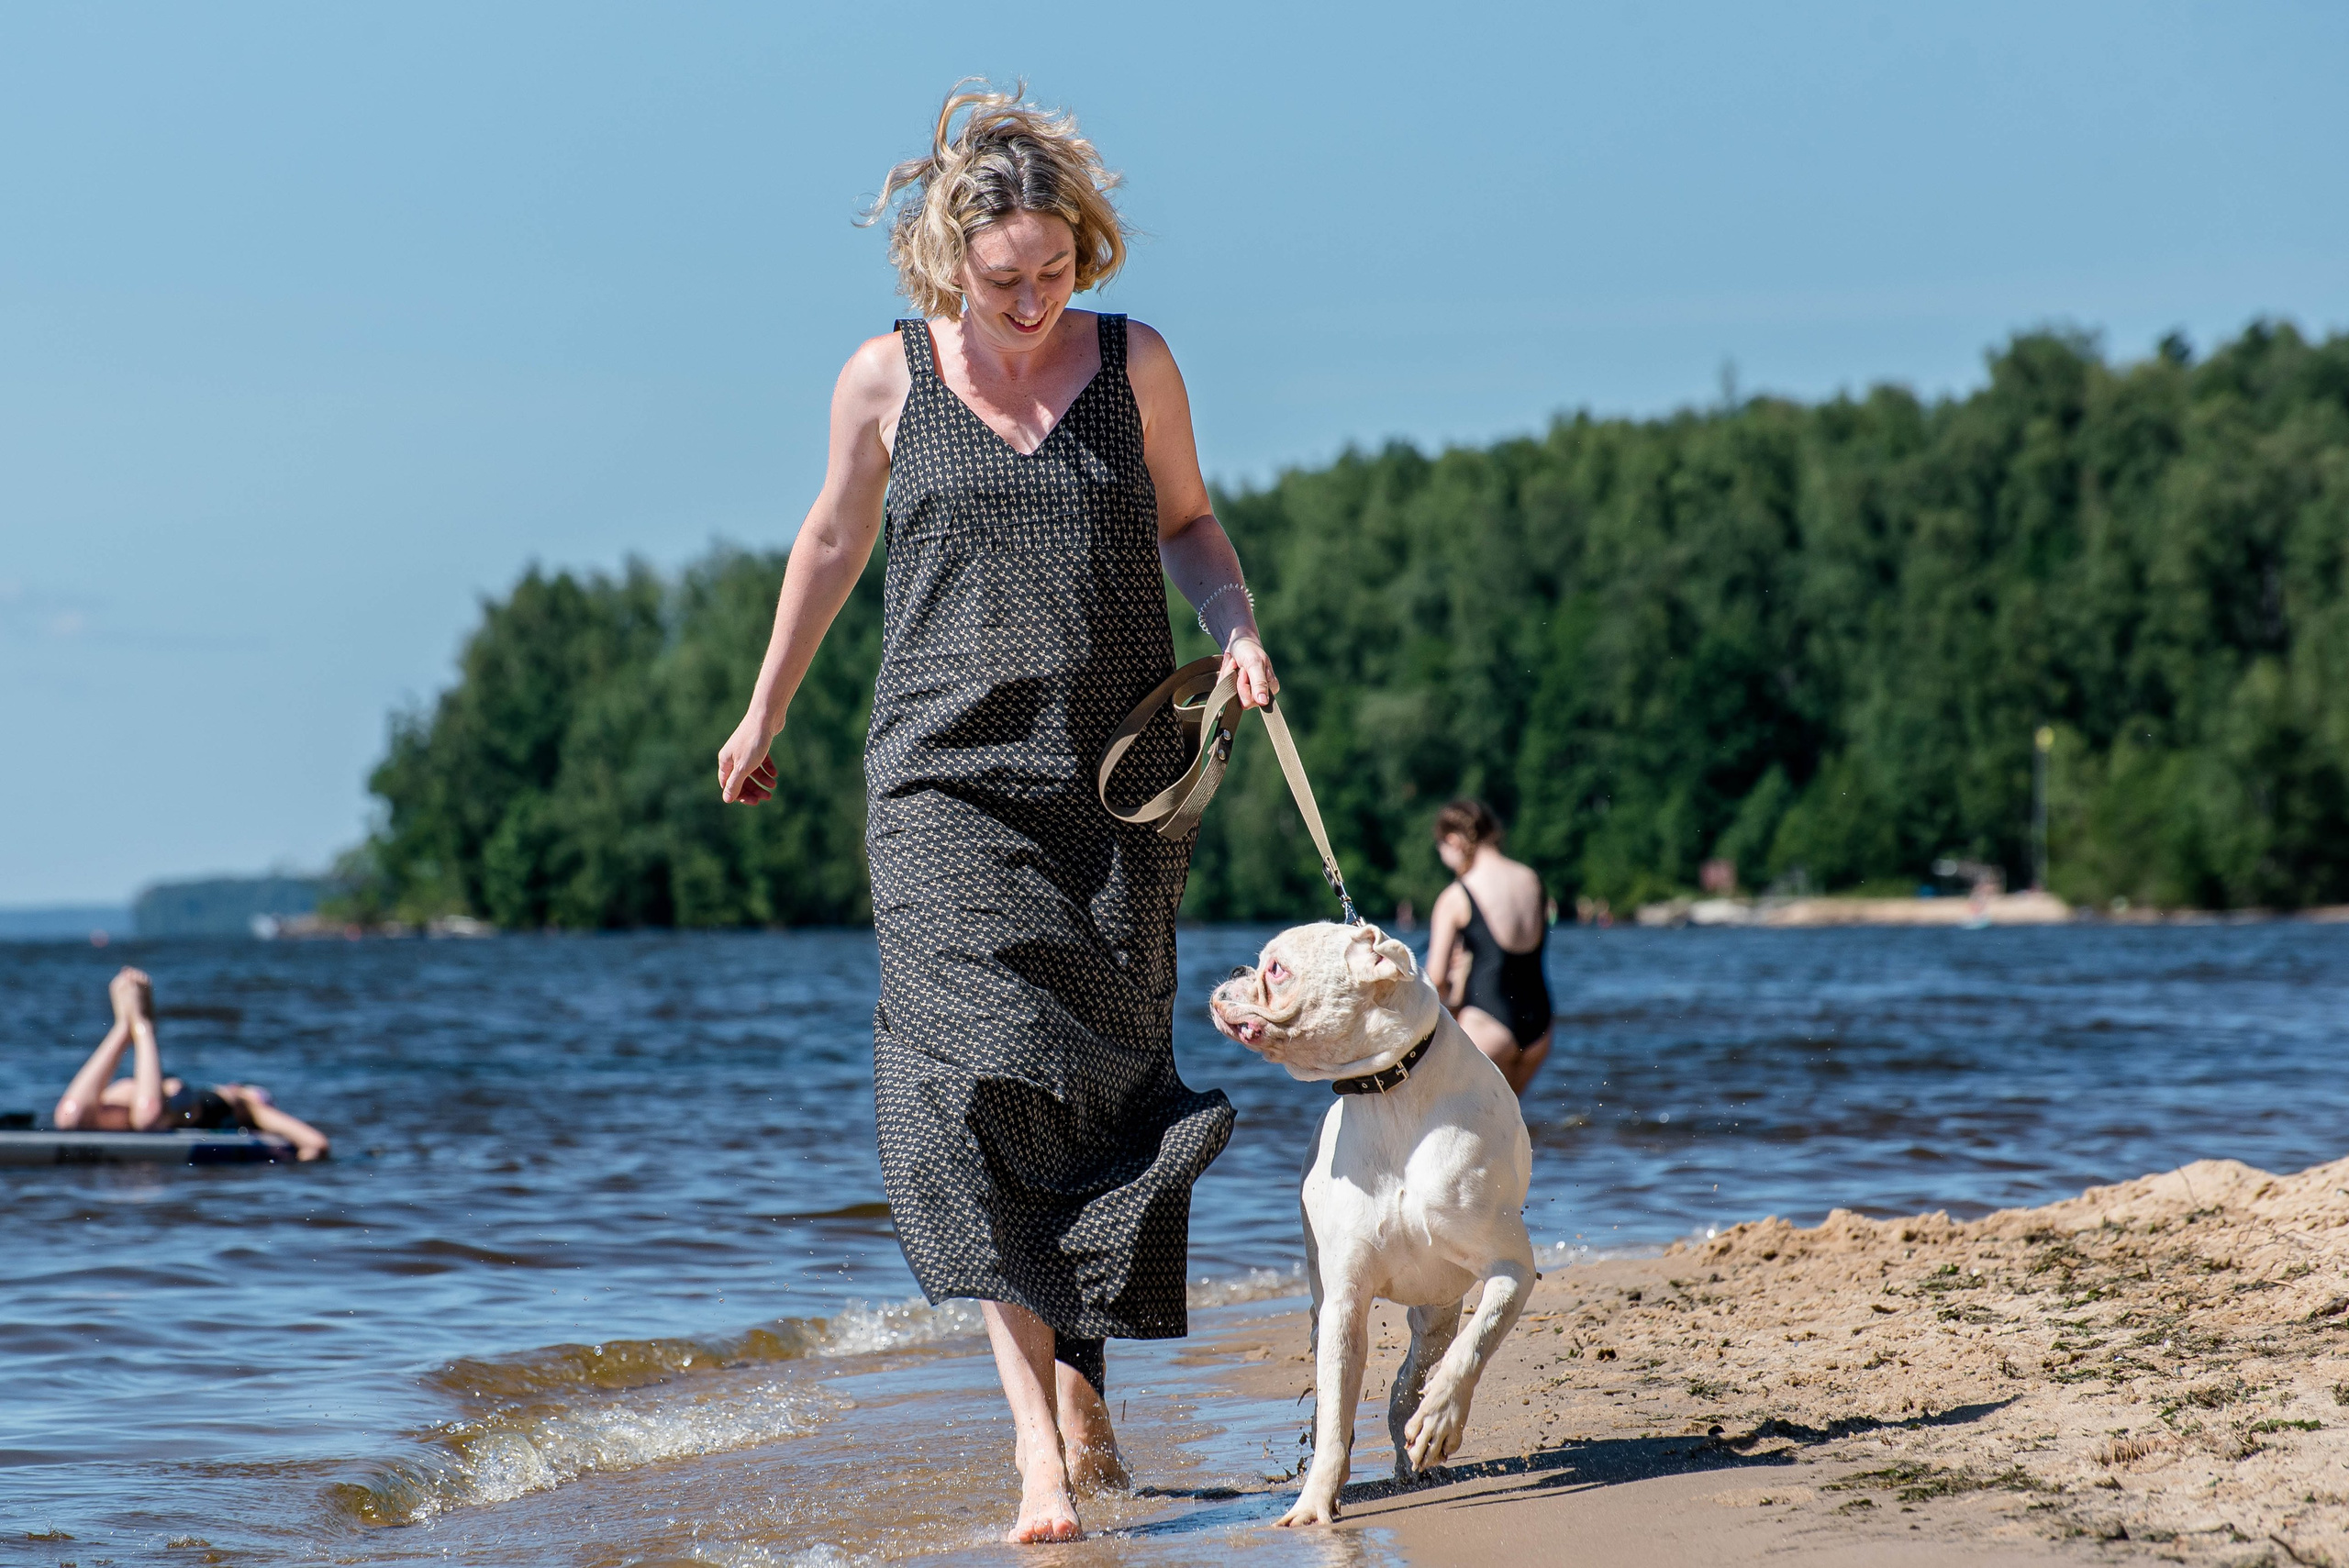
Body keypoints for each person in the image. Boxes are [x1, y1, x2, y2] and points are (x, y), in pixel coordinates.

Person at [713, 83, 1276, 1545]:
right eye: (1003, 279)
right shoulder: (884, 379)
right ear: (946, 257)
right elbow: (831, 537)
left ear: (1085, 248)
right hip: (941, 781)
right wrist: (765, 709)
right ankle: (1037, 1448)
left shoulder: (1133, 363)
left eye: (1055, 272)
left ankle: (1084, 1378)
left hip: (1115, 780)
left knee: (1092, 1082)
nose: (1031, 305)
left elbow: (1189, 522)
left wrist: (1236, 623)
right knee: (963, 1088)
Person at [52, 966, 331, 1161]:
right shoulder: (245, 1102)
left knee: (70, 1117)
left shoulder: (242, 1105)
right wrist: (295, 1163)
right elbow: (317, 1143)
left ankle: (125, 1026)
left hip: (155, 1099)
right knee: (148, 1116)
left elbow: (317, 1145)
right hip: (176, 1103)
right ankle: (141, 1025)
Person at [1422, 800, 1554, 1095]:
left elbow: (1436, 979)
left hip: (1487, 1021)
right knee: (1509, 1118)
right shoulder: (1532, 880)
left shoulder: (1457, 895)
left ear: (1453, 841)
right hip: (1539, 1024)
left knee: (1462, 1118)